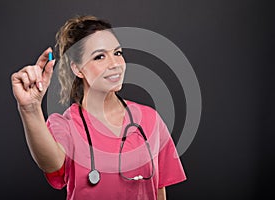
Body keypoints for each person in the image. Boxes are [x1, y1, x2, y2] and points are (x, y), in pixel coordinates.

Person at [11, 15, 186, 200]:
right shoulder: (64, 125)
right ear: (78, 69)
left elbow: (159, 192)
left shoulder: (150, 120)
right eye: (100, 56)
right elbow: (51, 164)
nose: (115, 64)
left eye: (118, 53)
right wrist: (29, 108)